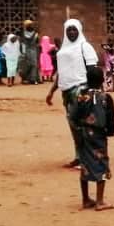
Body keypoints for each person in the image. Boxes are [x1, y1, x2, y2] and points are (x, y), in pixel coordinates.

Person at [46, 19, 100, 169]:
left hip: (80, 89)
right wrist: (51, 91)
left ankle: (87, 158)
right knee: (74, 125)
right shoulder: (63, 49)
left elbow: (92, 70)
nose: (71, 32)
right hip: (66, 91)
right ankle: (79, 156)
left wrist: (92, 91)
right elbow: (61, 72)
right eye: (68, 30)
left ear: (79, 30)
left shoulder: (85, 46)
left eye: (74, 29)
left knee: (81, 124)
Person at [69, 64, 114, 210]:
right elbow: (111, 120)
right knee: (101, 163)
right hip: (98, 136)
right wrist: (109, 132)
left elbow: (72, 116)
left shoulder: (81, 97)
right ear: (102, 80)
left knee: (85, 164)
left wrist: (79, 129)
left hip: (84, 134)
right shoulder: (105, 98)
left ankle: (85, 199)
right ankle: (99, 201)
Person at [19, 20, 41, 84]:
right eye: (30, 25)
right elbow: (36, 42)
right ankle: (30, 79)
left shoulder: (25, 33)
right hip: (30, 51)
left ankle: (31, 79)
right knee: (30, 65)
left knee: (31, 65)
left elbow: (22, 43)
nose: (31, 26)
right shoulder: (34, 34)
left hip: (30, 50)